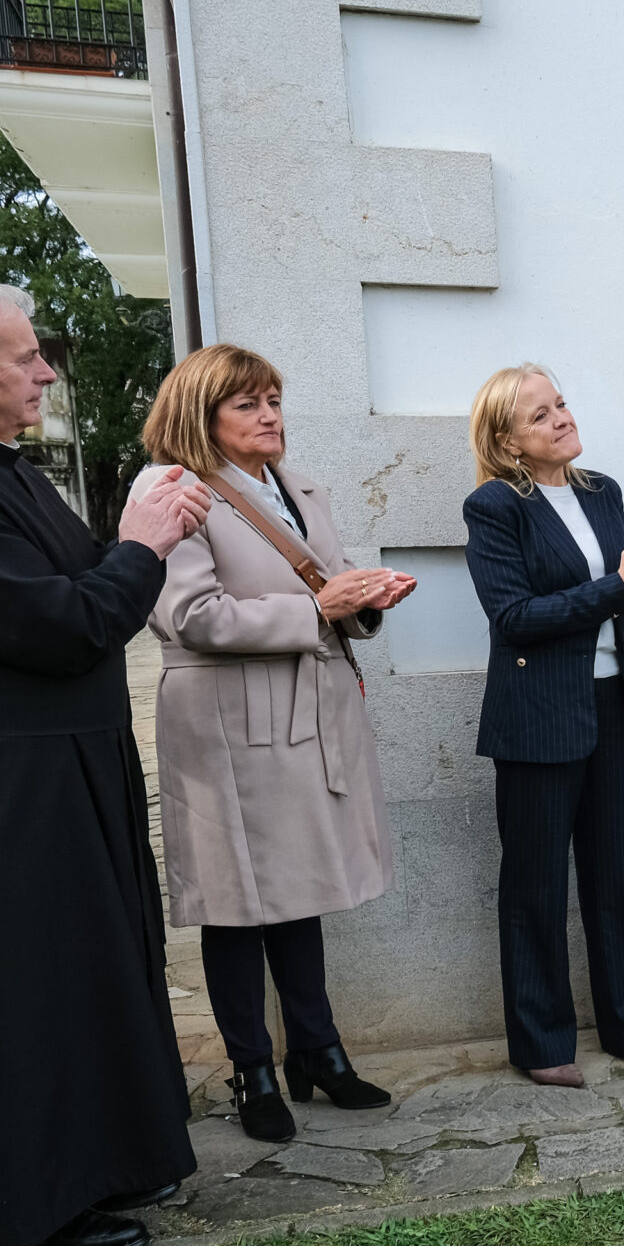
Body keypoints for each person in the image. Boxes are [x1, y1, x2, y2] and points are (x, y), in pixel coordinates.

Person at [0, 275, 210, 1246]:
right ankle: (42, 1204)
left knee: (88, 971)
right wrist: (144, 541)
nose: (47, 373)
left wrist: (133, 538)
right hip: (3, 787)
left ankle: (109, 1157)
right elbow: (70, 624)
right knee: (33, 992)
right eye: (27, 358)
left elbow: (72, 578)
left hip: (54, 763)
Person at [135, 345, 416, 1143]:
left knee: (299, 886)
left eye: (274, 400)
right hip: (225, 720)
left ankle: (317, 1051)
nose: (270, 415)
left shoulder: (297, 486)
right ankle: (251, 1068)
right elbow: (188, 616)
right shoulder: (171, 490)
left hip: (308, 706)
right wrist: (319, 609)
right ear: (200, 414)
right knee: (236, 900)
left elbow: (328, 581)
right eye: (248, 403)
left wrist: (368, 595)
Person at [463, 364, 624, 1085]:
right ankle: (542, 1045)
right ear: (508, 441)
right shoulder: (494, 506)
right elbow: (514, 618)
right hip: (537, 714)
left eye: (560, 404)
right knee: (535, 886)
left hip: (615, 703)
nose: (561, 418)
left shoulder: (601, 490)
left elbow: (623, 602)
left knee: (615, 873)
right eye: (540, 415)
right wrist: (618, 583)